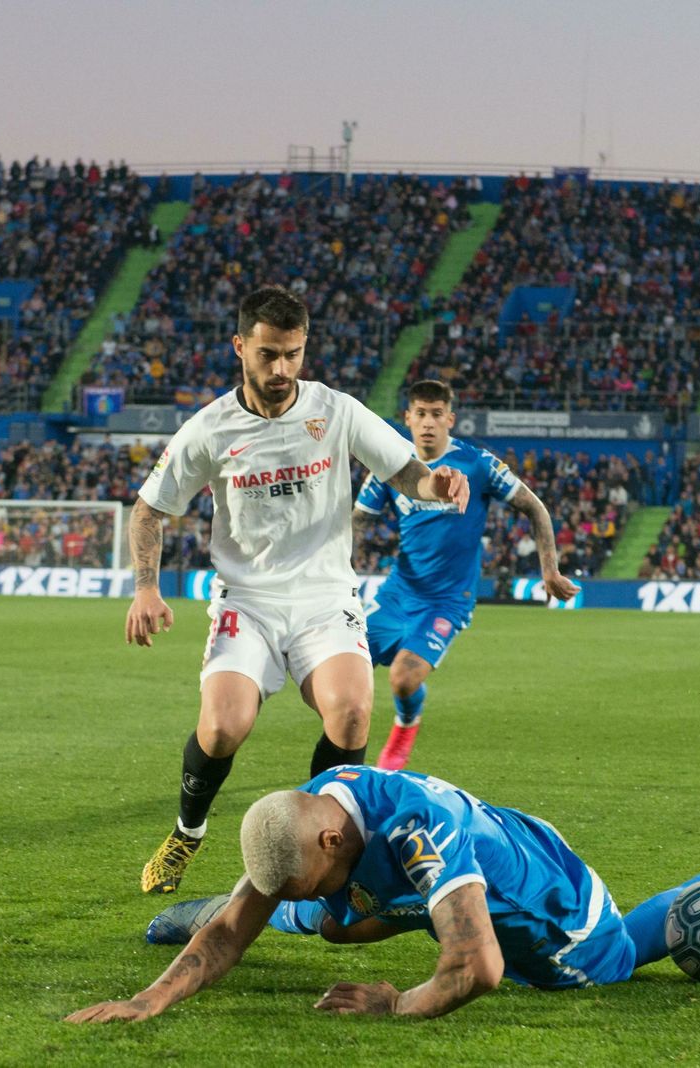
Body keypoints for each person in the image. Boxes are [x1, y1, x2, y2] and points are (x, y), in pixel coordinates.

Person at [128, 286, 468, 895]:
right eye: (268, 354)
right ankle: (187, 831)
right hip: (247, 600)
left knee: (353, 713)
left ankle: (329, 850)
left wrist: (436, 486)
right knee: (222, 728)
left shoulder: (336, 410)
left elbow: (405, 471)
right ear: (239, 347)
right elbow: (148, 510)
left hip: (324, 597)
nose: (282, 368)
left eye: (293, 354)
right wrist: (146, 591)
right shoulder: (209, 428)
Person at [68, 766, 700, 1022]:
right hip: (470, 857)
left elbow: (477, 968)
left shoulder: (418, 835)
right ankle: (290, 911)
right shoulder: (319, 804)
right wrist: (146, 1000)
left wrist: (394, 1003)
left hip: (554, 915)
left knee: (626, 951)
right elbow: (233, 930)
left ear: (333, 843)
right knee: (337, 922)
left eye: (296, 885)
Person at [355, 381, 579, 770]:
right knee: (345, 669)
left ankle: (406, 724)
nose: (428, 423)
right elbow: (357, 521)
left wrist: (550, 569)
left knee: (404, 679)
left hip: (447, 601)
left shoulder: (477, 464)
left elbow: (535, 507)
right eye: (420, 414)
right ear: (407, 418)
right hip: (396, 595)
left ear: (450, 419)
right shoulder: (391, 465)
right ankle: (345, 762)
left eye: (436, 414)